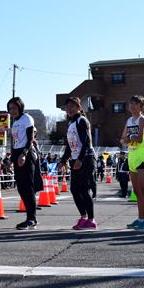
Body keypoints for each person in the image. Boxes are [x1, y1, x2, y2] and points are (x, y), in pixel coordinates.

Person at [59, 97, 97, 230]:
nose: (69, 109)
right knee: (74, 190)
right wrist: (63, 160)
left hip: (86, 158)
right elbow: (70, 146)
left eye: (72, 106)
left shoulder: (82, 121)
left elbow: (86, 142)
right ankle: (83, 217)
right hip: (75, 159)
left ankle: (91, 220)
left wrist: (80, 159)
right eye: (67, 107)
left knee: (84, 189)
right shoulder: (70, 124)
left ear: (79, 108)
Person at [8, 96, 41, 230]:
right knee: (21, 188)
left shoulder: (26, 118)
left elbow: (29, 139)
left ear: (20, 107)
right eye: (10, 108)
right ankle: (30, 217)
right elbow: (14, 142)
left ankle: (31, 218)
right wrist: (11, 159)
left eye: (14, 108)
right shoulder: (15, 122)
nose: (12, 111)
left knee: (28, 188)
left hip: (26, 154)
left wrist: (23, 154)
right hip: (17, 153)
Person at [121, 95, 144, 230]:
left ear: (141, 106)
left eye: (136, 104)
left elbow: (139, 138)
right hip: (132, 155)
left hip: (142, 155)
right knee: (136, 190)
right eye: (131, 104)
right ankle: (140, 218)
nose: (133, 106)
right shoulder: (129, 120)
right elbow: (122, 139)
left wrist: (129, 138)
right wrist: (128, 138)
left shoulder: (142, 119)